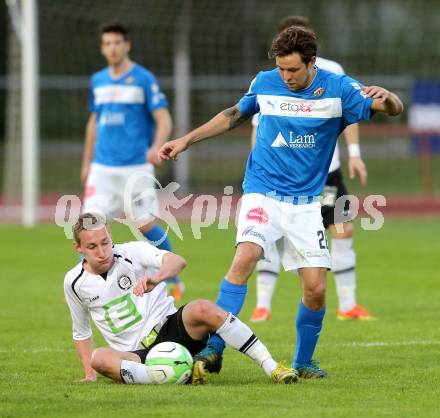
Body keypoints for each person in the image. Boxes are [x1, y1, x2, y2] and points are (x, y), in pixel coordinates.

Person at [158, 26, 403, 378]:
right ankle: (214, 347)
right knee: (245, 256)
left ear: (312, 62)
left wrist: (390, 97)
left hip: (305, 203)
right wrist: (186, 140)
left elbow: (391, 108)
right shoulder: (265, 81)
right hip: (263, 191)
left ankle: (304, 362)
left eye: (293, 70)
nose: (285, 76)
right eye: (281, 68)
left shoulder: (339, 88)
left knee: (316, 289)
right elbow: (233, 115)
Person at [64, 213, 298, 385]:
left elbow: (177, 261)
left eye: (105, 242)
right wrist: (88, 374)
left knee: (202, 308)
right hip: (135, 354)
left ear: (110, 236)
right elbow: (81, 331)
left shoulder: (131, 252)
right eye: (92, 246)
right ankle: (177, 375)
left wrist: (159, 277)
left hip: (170, 328)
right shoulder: (74, 282)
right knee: (100, 358)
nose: (102, 251)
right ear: (78, 248)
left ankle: (272, 367)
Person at [250, 15, 373, 323]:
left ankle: (348, 304)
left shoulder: (333, 73)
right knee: (270, 237)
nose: (287, 71)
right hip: (280, 176)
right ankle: (262, 304)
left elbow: (352, 114)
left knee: (343, 230)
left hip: (327, 172)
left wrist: (355, 153)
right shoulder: (270, 79)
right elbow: (257, 123)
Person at [81, 22, 183, 300]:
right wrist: (86, 161)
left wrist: (156, 147)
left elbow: (164, 118)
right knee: (89, 225)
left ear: (127, 45)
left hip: (135, 167)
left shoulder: (143, 79)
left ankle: (172, 277)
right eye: (107, 44)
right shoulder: (98, 80)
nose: (112, 48)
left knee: (144, 224)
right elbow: (94, 122)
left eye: (117, 43)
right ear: (102, 48)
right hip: (102, 169)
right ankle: (86, 283)